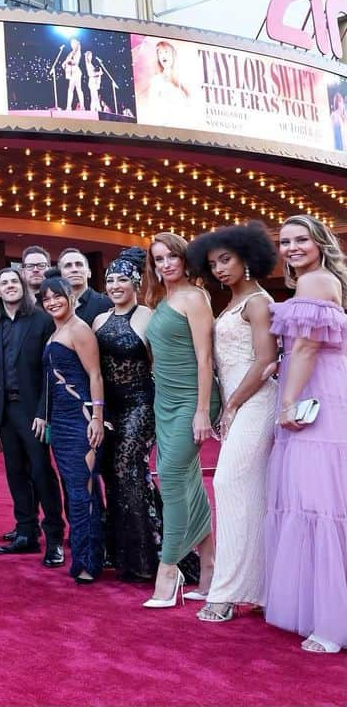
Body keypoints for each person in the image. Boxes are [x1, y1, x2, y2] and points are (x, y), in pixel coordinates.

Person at [185, 223, 278, 622]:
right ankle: (258, 588)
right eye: (213, 264)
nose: (220, 269)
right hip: (241, 404)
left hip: (257, 401)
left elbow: (265, 362)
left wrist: (231, 405)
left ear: (247, 257)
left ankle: (227, 590)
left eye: (226, 260)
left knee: (227, 482)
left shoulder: (258, 301)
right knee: (252, 493)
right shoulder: (230, 303)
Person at [264, 214, 347, 653]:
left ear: (319, 243)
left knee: (320, 502)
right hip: (321, 391)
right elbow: (304, 346)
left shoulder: (315, 282)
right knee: (317, 500)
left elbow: (311, 345)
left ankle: (332, 626)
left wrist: (289, 403)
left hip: (318, 403)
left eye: (301, 240)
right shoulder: (317, 281)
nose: (291, 247)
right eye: (285, 241)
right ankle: (322, 612)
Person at [142, 232, 220, 608]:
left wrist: (203, 410)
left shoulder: (194, 297)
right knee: (187, 482)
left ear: (185, 259)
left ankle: (169, 568)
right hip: (166, 401)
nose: (166, 264)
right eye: (159, 259)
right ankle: (209, 569)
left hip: (193, 400)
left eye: (172, 256)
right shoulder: (163, 299)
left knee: (170, 476)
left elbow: (205, 359)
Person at [0, 267, 65, 567]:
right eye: (4, 283)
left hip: (34, 411)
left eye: (14, 281)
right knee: (15, 472)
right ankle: (26, 532)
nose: (10, 286)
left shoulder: (41, 321)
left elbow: (50, 370)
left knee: (41, 471)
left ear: (23, 286)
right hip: (4, 411)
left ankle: (54, 537)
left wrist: (44, 412)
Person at [92, 248, 163, 582]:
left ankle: (145, 558)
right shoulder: (99, 320)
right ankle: (119, 552)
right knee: (110, 472)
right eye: (110, 280)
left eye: (122, 279)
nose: (116, 285)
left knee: (128, 469)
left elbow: (159, 365)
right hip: (110, 408)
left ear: (135, 282)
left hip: (140, 404)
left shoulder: (148, 315)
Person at [40, 276, 106, 583]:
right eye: (46, 299)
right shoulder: (57, 331)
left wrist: (96, 418)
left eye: (57, 297)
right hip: (61, 423)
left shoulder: (79, 329)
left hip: (81, 419)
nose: (52, 303)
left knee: (83, 492)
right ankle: (88, 556)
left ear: (70, 296)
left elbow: (95, 375)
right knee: (76, 490)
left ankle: (87, 562)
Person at [58, 247, 112, 325]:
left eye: (79, 264)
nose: (74, 269)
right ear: (60, 275)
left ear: (89, 273)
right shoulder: (55, 306)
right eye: (68, 266)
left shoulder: (106, 304)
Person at [63, 37, 84, 111]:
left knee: (78, 89)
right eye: (71, 43)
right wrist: (64, 64)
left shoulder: (78, 52)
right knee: (70, 90)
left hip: (76, 72)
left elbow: (76, 62)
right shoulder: (71, 53)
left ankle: (82, 106)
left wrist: (69, 62)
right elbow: (66, 61)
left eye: (73, 43)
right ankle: (68, 106)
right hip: (71, 73)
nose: (72, 45)